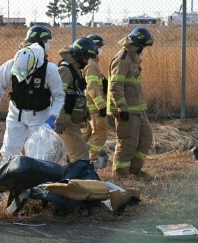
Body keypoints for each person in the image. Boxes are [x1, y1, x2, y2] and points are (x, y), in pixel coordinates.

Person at [0, 43, 65, 161]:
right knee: (9, 149)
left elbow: (58, 96)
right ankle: (12, 174)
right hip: (16, 112)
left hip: (40, 115)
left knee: (39, 152)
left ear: (33, 67)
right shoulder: (9, 66)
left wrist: (53, 117)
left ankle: (37, 177)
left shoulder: (49, 70)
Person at [108, 28, 154, 178]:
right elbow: (116, 86)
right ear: (138, 45)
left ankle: (135, 170)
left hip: (137, 109)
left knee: (145, 138)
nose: (145, 50)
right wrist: (122, 108)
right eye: (145, 47)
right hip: (126, 110)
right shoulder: (122, 60)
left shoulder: (133, 58)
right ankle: (120, 175)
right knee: (128, 142)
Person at [54, 37, 99, 162]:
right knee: (81, 154)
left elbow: (76, 95)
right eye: (85, 58)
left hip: (72, 122)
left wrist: (85, 115)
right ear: (78, 56)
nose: (86, 62)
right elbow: (58, 96)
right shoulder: (65, 70)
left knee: (68, 156)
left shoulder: (75, 70)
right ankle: (80, 180)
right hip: (65, 123)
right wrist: (59, 120)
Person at [81, 34, 108, 162]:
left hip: (90, 107)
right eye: (99, 47)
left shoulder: (92, 63)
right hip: (95, 108)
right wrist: (101, 105)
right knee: (99, 133)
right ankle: (94, 161)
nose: (101, 50)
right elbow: (91, 86)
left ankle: (72, 157)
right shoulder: (92, 65)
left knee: (86, 134)